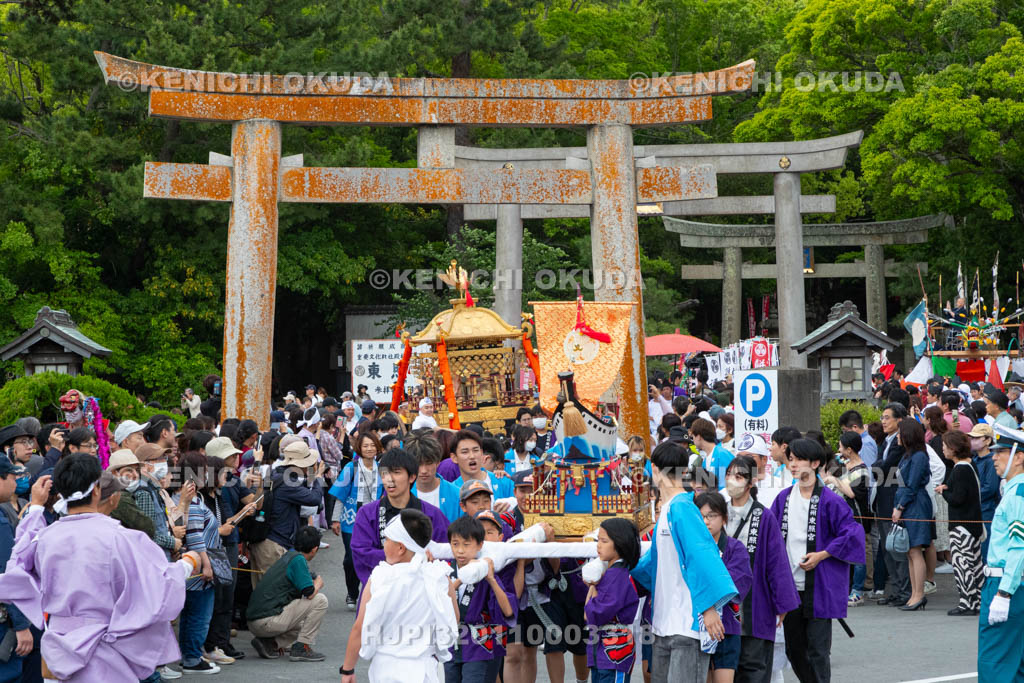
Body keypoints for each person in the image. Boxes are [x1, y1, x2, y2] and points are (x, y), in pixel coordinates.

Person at [0, 458, 201, 681]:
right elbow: (157, 586)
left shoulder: (45, 537)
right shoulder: (122, 538)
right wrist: (187, 564)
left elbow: (17, 566)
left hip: (57, 647)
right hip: (104, 651)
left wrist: (36, 508)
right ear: (96, 489)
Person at [630, 440, 737, 683]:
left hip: (686, 623)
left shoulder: (683, 507)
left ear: (654, 469)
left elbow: (701, 556)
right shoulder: (669, 509)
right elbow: (654, 562)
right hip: (663, 622)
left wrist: (708, 608)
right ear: (685, 471)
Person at [769, 438, 865, 683]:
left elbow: (852, 533)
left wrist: (823, 554)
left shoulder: (830, 500)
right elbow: (769, 538)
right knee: (794, 649)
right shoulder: (782, 499)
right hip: (789, 586)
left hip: (819, 586)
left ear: (815, 463)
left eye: (799, 459)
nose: (793, 464)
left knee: (818, 651)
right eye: (791, 459)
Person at [340, 509, 459, 683]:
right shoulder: (439, 576)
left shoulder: (380, 577)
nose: (384, 545)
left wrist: (348, 669)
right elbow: (453, 618)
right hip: (424, 669)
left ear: (401, 548)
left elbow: (360, 627)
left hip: (386, 669)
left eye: (387, 540)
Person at [722, 456, 799, 683]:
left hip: (756, 603)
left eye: (739, 476)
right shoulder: (717, 514)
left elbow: (777, 562)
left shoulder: (764, 516)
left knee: (754, 668)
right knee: (725, 669)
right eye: (729, 475)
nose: (732, 480)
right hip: (722, 604)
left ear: (751, 481)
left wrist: (782, 602)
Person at [350, 448, 451, 584]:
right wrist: (409, 557)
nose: (389, 479)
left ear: (412, 477)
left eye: (396, 472)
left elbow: (445, 551)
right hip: (381, 585)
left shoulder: (432, 514)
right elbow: (361, 552)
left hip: (422, 586)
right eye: (385, 473)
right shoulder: (367, 513)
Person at [445, 514, 516, 683]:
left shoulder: (484, 570)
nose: (460, 550)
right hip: (451, 642)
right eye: (455, 544)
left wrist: (491, 579)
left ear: (480, 545)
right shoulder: (445, 570)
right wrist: (461, 579)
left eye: (466, 544)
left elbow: (508, 611)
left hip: (478, 644)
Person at [977, 426, 1024, 680]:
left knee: (994, 664)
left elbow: (1019, 545)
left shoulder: (1018, 493)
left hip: (1006, 581)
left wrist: (1004, 592)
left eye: (1001, 452)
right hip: (1012, 580)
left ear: (1019, 457)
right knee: (1015, 664)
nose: (994, 457)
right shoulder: (1014, 489)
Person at [250, 440, 325, 587]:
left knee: (268, 588)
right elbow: (314, 499)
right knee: (272, 590)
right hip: (273, 544)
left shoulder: (278, 474)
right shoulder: (287, 482)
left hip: (269, 539)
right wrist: (317, 478)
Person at [247, 525, 328, 662]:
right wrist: (318, 583)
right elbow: (309, 593)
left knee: (304, 624)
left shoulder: (290, 554)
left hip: (255, 621)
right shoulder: (298, 560)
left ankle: (269, 643)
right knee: (320, 600)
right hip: (266, 621)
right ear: (315, 549)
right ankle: (302, 648)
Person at [695, 491, 751, 683]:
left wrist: (708, 599)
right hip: (696, 627)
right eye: (701, 516)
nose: (706, 521)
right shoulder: (691, 549)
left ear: (724, 518)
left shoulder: (736, 548)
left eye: (712, 515)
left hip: (727, 626)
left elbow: (736, 583)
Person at [329, 432, 383, 609]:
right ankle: (352, 592)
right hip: (351, 520)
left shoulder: (383, 469)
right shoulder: (350, 468)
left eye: (372, 445)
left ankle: (370, 591)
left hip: (375, 521)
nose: (369, 449)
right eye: (366, 445)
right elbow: (340, 496)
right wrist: (335, 519)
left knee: (374, 556)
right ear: (359, 447)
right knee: (351, 559)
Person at [584, 518, 641, 683]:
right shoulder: (614, 573)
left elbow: (592, 613)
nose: (598, 545)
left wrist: (592, 586)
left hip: (613, 650)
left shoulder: (616, 576)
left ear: (619, 544)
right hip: (606, 649)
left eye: (604, 541)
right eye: (598, 540)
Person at [822, 431, 872, 607]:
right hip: (841, 517)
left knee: (857, 555)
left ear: (849, 449)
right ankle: (846, 588)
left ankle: (857, 591)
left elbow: (852, 494)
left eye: (841, 446)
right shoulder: (845, 464)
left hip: (856, 518)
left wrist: (834, 480)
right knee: (843, 553)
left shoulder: (862, 471)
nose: (839, 449)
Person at [937, 430, 983, 616]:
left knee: (962, 564)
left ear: (953, 448)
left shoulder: (960, 469)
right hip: (973, 524)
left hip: (961, 526)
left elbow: (957, 499)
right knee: (975, 565)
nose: (943, 449)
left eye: (945, 446)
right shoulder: (970, 465)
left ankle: (967, 602)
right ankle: (977, 601)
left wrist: (943, 491)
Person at [873, 403, 910, 606]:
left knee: (897, 549)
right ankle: (895, 590)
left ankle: (904, 591)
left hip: (893, 501)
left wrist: (878, 467)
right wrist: (879, 467)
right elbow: (879, 468)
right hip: (882, 501)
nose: (883, 421)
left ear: (899, 420)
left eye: (887, 417)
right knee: (886, 549)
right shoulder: (885, 441)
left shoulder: (900, 442)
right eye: (882, 417)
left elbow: (886, 467)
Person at [408, 432, 461, 524]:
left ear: (437, 462)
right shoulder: (403, 495)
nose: (424, 470)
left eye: (429, 463)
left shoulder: (456, 494)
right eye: (418, 464)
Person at [450, 430, 514, 499]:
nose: (472, 456)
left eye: (475, 450)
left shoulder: (503, 482)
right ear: (454, 458)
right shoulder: (452, 491)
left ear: (481, 453)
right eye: (465, 452)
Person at [969, 423, 1001, 558]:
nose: (973, 441)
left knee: (985, 550)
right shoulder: (974, 459)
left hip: (987, 510)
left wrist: (969, 495)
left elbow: (990, 488)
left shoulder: (992, 460)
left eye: (977, 438)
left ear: (988, 440)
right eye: (972, 438)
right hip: (975, 510)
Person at [690, 418, 734, 484]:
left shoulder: (722, 454)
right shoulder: (705, 459)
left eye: (693, 437)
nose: (693, 440)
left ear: (698, 437)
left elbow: (726, 483)